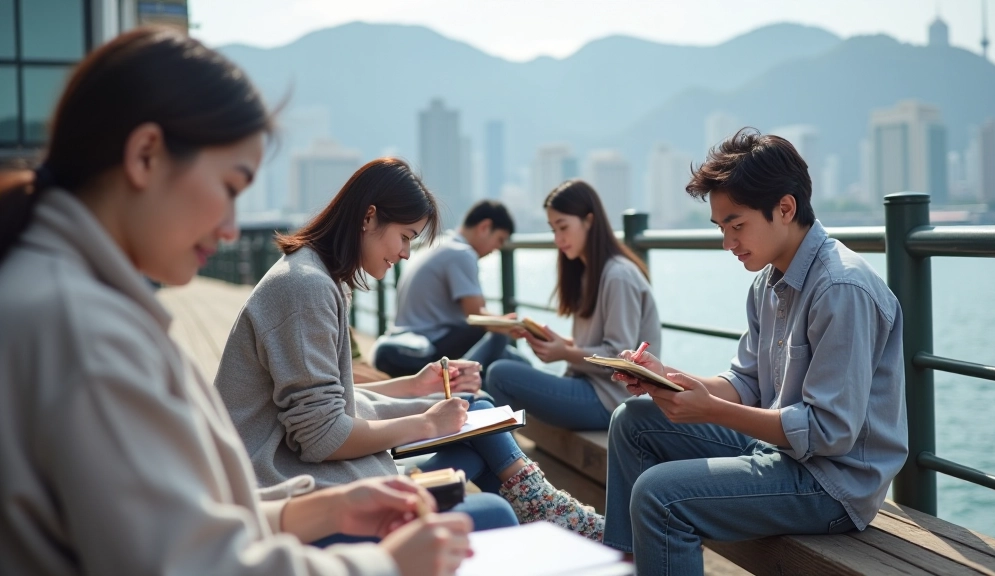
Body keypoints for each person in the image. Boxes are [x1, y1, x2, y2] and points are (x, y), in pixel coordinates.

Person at [0, 27, 473, 576]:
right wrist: (385, 566)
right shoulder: (83, 330)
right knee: (484, 516)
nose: (230, 230)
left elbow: (172, 527)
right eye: (230, 187)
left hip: (283, 494)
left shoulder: (59, 297)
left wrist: (331, 507)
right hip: (283, 485)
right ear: (146, 154)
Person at [214, 158, 604, 540]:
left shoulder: (318, 277)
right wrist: (428, 423)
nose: (405, 253)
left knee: (478, 412)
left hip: (311, 470)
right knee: (494, 511)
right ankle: (547, 512)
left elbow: (331, 402)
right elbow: (321, 437)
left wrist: (415, 387)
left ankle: (544, 509)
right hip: (286, 490)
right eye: (405, 236)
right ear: (369, 218)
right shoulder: (305, 288)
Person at [602, 129, 909, 575]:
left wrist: (709, 411)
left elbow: (829, 433)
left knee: (659, 495)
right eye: (722, 227)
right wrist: (664, 377)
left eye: (737, 224)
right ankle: (629, 566)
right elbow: (744, 383)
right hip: (780, 454)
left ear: (785, 208)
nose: (727, 241)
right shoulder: (768, 283)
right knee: (631, 421)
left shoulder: (841, 288)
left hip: (833, 486)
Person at [484, 180, 662, 430]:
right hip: (586, 386)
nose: (558, 239)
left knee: (500, 374)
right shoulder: (589, 272)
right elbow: (595, 345)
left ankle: (510, 465)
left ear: (589, 221)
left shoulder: (618, 275)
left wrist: (564, 352)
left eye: (563, 227)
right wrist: (556, 341)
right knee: (503, 354)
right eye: (553, 230)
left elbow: (620, 356)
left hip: (609, 400)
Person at [372, 200, 525, 377]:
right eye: (499, 240)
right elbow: (476, 316)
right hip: (425, 347)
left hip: (402, 341)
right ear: (485, 227)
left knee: (505, 352)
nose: (497, 249)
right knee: (497, 334)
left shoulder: (438, 244)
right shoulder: (461, 253)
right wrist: (512, 325)